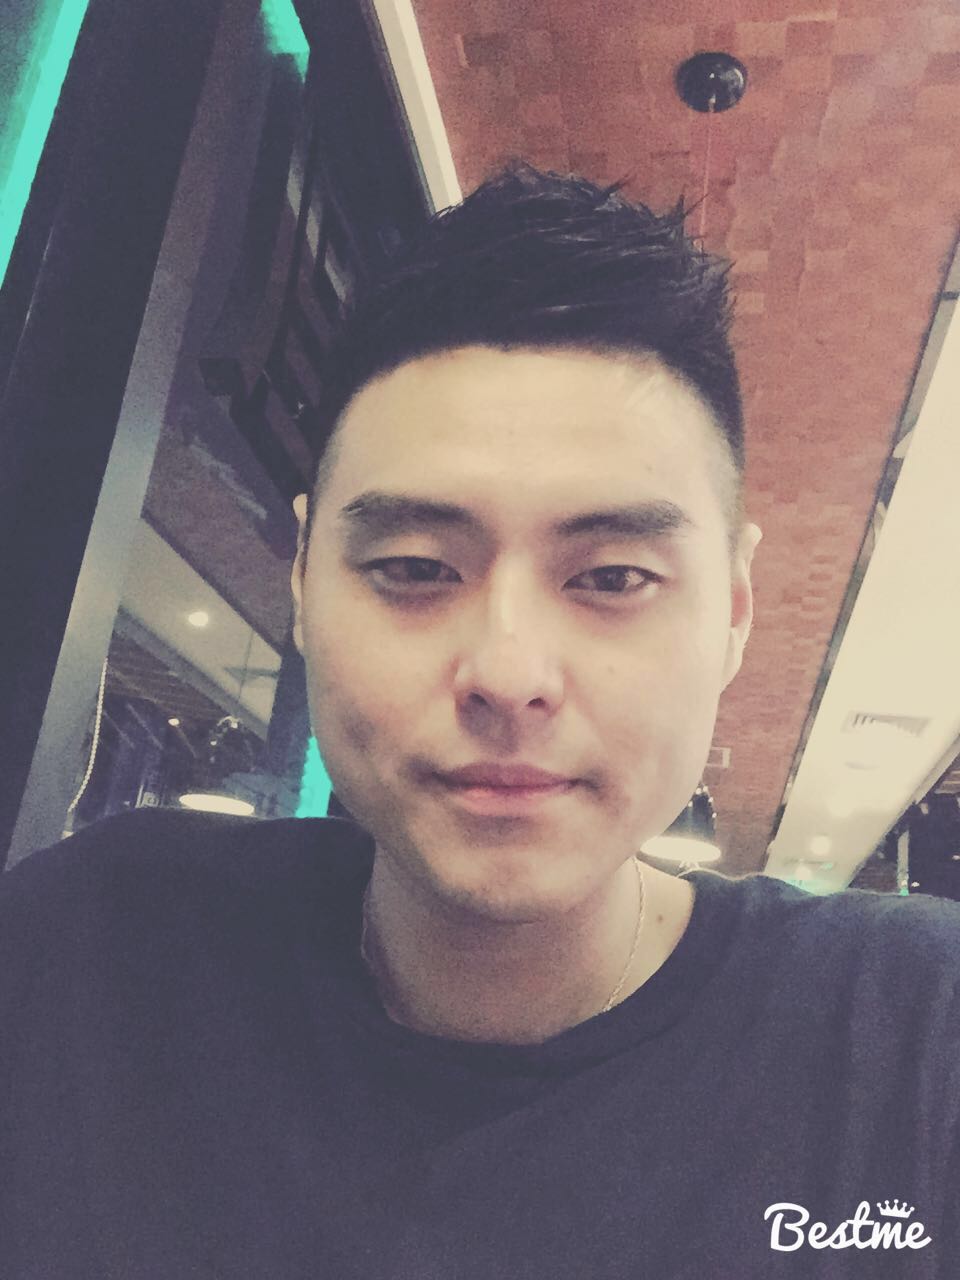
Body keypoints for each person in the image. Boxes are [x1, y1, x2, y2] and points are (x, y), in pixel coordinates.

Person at [1, 163, 957, 1278]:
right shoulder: (90, 950)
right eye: (414, 567)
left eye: (612, 577)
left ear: (735, 612)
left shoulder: (916, 1038)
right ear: (303, 580)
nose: (508, 673)